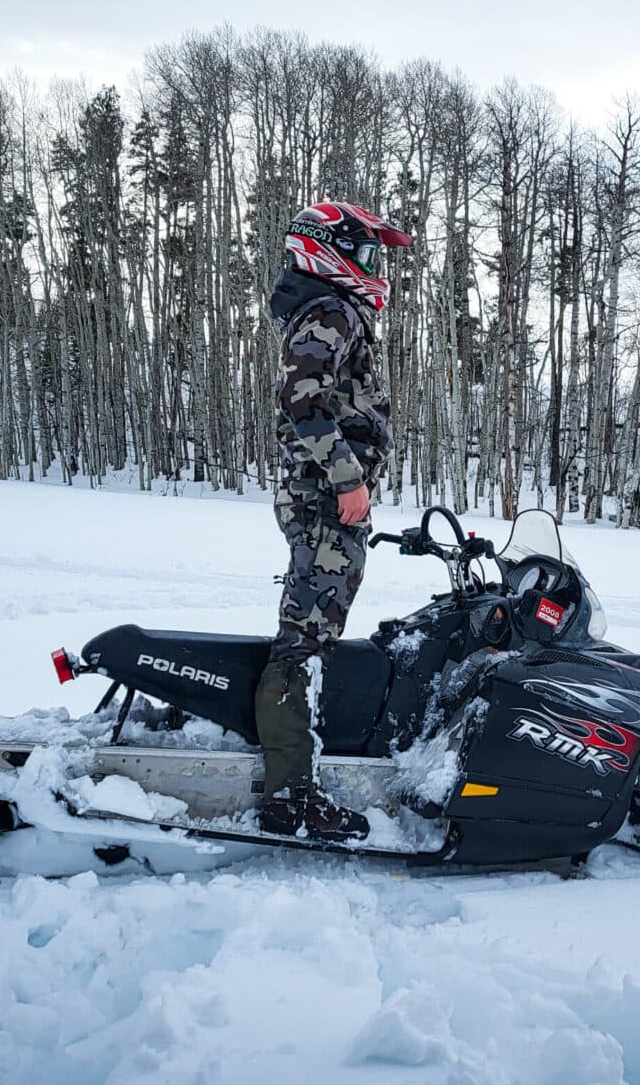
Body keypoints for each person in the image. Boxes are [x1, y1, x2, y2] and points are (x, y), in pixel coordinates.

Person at [256, 200, 412, 840]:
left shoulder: (328, 310)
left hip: (323, 493)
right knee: (305, 641)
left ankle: (296, 782)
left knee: (312, 632)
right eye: (368, 253)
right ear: (330, 250)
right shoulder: (330, 309)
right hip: (325, 494)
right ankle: (289, 797)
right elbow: (302, 398)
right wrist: (348, 479)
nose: (375, 267)